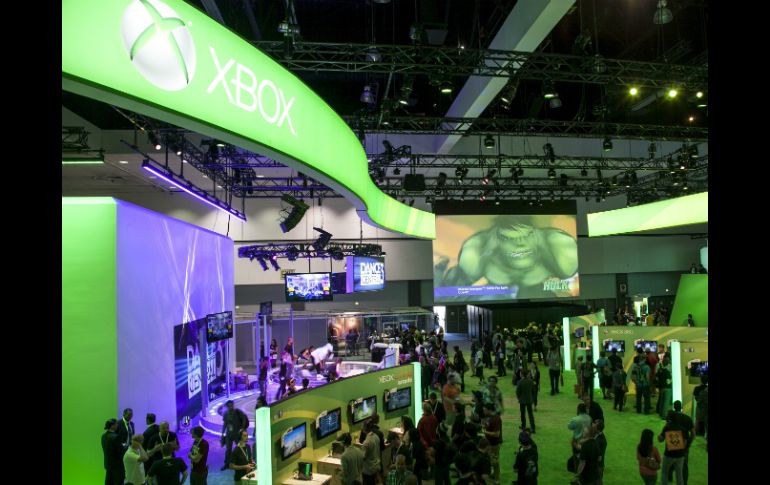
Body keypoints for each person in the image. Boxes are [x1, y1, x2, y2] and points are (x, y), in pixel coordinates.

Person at [433, 215, 578, 300]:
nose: (520, 244)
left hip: (541, 291)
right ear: (498, 239)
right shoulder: (477, 249)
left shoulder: (555, 244)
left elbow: (569, 279)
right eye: (510, 238)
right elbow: (452, 291)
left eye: (526, 235)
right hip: (494, 291)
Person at [668, 401, 695, 485]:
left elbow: (668, 430)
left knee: (671, 460)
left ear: (674, 407)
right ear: (681, 408)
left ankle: (669, 475)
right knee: (684, 465)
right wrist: (689, 443)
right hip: (684, 445)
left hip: (673, 444)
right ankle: (684, 482)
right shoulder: (688, 418)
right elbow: (693, 433)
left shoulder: (671, 418)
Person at [658, 410, 687, 485]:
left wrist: (659, 435)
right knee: (679, 475)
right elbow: (685, 443)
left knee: (664, 473)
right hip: (680, 455)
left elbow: (660, 439)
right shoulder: (682, 429)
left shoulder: (667, 428)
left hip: (669, 455)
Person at [221, 400, 249, 471]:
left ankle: (243, 462)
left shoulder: (238, 412)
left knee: (240, 448)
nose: (231, 407)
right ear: (227, 406)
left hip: (237, 434)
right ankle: (227, 464)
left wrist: (242, 428)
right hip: (229, 435)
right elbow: (225, 424)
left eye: (231, 405)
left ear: (233, 405)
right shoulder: (225, 414)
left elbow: (244, 419)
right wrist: (222, 433)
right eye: (229, 406)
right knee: (228, 450)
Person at [482, 402, 503, 485]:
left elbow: (496, 434)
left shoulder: (496, 419)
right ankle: (494, 474)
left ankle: (497, 480)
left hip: (494, 444)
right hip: (490, 443)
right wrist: (485, 426)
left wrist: (484, 432)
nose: (483, 411)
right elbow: (489, 426)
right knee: (492, 460)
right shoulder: (490, 417)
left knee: (495, 461)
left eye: (485, 410)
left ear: (489, 410)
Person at [102, 418, 125, 485]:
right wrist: (125, 446)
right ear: (112, 426)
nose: (117, 425)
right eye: (116, 424)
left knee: (109, 482)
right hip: (117, 465)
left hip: (108, 464)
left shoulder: (103, 436)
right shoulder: (116, 437)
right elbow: (121, 451)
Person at [516, 369, 536, 433]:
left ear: (522, 374)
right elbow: (533, 390)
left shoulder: (520, 382)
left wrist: (518, 398)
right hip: (529, 399)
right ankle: (533, 428)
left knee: (523, 414)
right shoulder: (531, 381)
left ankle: (523, 426)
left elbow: (517, 392)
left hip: (522, 400)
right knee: (530, 414)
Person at [593, 420, 607, 485]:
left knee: (598, 482)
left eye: (594, 425)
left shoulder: (602, 441)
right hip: (595, 465)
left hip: (598, 466)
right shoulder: (595, 434)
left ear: (597, 429)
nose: (592, 426)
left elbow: (599, 457)